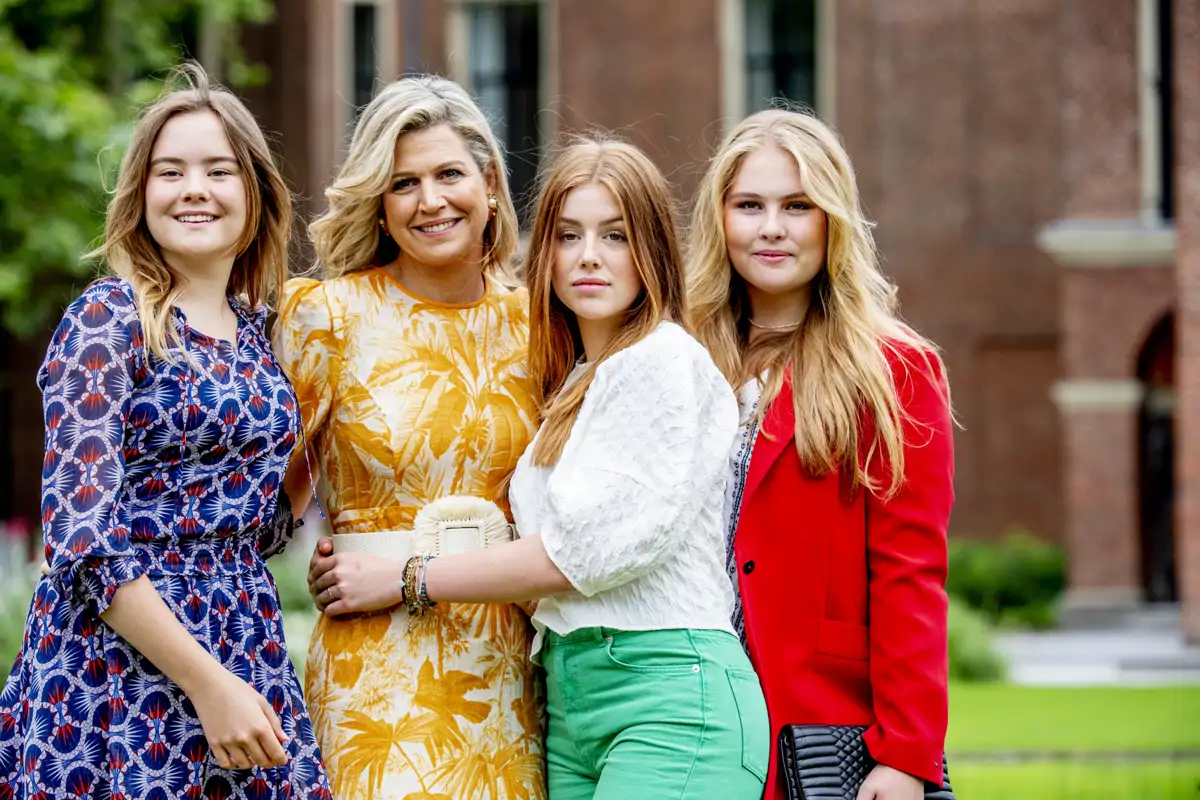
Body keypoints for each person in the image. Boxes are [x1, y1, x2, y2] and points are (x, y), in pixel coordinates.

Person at [308, 137, 770, 800]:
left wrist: (404, 576)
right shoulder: (574, 382)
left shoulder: (662, 361)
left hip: (668, 692)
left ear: (653, 252)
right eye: (569, 235)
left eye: (615, 236)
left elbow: (574, 558)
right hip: (569, 692)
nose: (588, 257)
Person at [0, 65, 331, 798]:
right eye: (169, 171)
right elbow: (82, 542)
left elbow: (256, 531)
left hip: (244, 642)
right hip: (119, 662)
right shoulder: (110, 319)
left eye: (219, 170)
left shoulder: (254, 336)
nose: (194, 189)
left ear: (255, 193)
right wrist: (208, 685)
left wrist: (323, 437)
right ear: (139, 194)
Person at [272, 75, 545, 799]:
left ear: (489, 186)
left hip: (514, 671)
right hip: (378, 673)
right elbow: (267, 505)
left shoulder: (541, 326)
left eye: (449, 174)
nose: (430, 200)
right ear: (381, 208)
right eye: (403, 184)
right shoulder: (327, 317)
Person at [687, 108, 955, 800]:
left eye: (797, 206)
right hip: (685, 710)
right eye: (749, 205)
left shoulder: (894, 368)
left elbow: (910, 573)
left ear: (831, 220)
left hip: (815, 725)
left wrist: (907, 757)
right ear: (720, 219)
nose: (771, 227)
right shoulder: (677, 355)